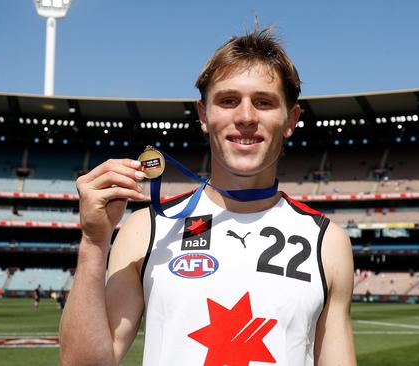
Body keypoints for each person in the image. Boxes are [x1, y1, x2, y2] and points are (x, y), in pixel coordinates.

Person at [59, 27, 356, 366]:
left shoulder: (327, 241)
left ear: (290, 119)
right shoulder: (146, 229)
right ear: (204, 115)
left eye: (263, 102)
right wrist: (93, 243)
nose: (245, 117)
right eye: (228, 100)